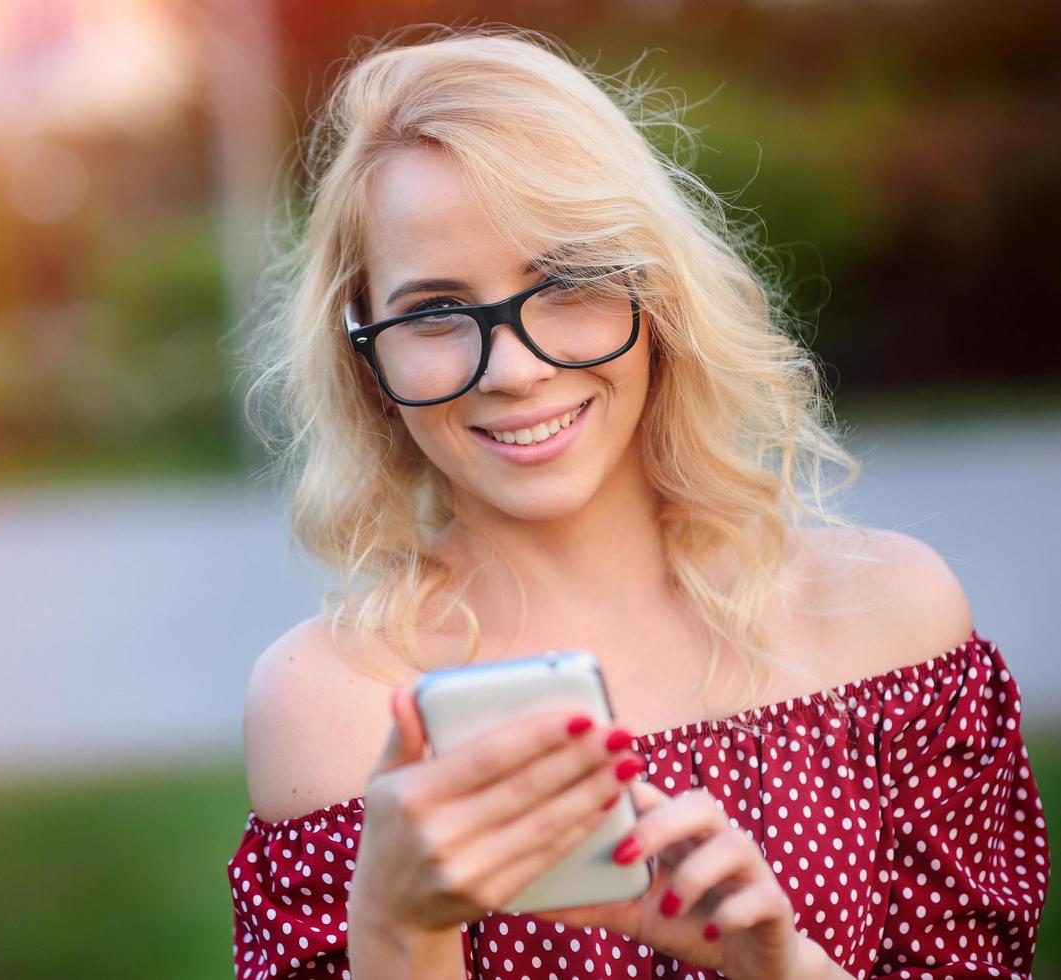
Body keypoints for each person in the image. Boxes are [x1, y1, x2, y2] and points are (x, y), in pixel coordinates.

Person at [226, 24, 1050, 980]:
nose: (515, 369)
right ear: (364, 353)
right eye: (435, 313)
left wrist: (783, 968)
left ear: (656, 294)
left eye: (567, 280)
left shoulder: (891, 620)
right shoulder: (337, 704)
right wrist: (401, 926)